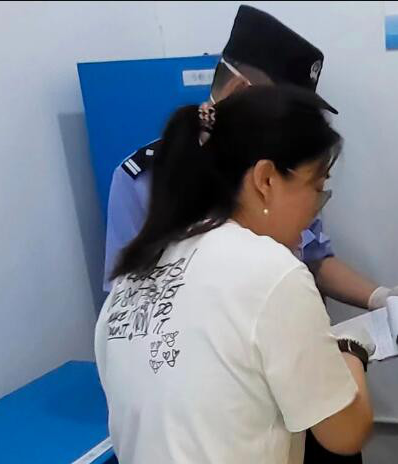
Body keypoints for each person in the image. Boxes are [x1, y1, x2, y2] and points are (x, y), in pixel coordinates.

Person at [95, 85, 376, 464]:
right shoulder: (274, 273)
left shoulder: (131, 278)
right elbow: (346, 434)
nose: (316, 208)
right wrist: (352, 350)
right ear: (266, 179)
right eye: (317, 187)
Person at [104, 5, 398, 313]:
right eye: (287, 111)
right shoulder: (143, 180)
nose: (294, 127)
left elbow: (313, 256)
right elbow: (128, 305)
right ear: (240, 89)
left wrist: (380, 297)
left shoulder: (287, 170)